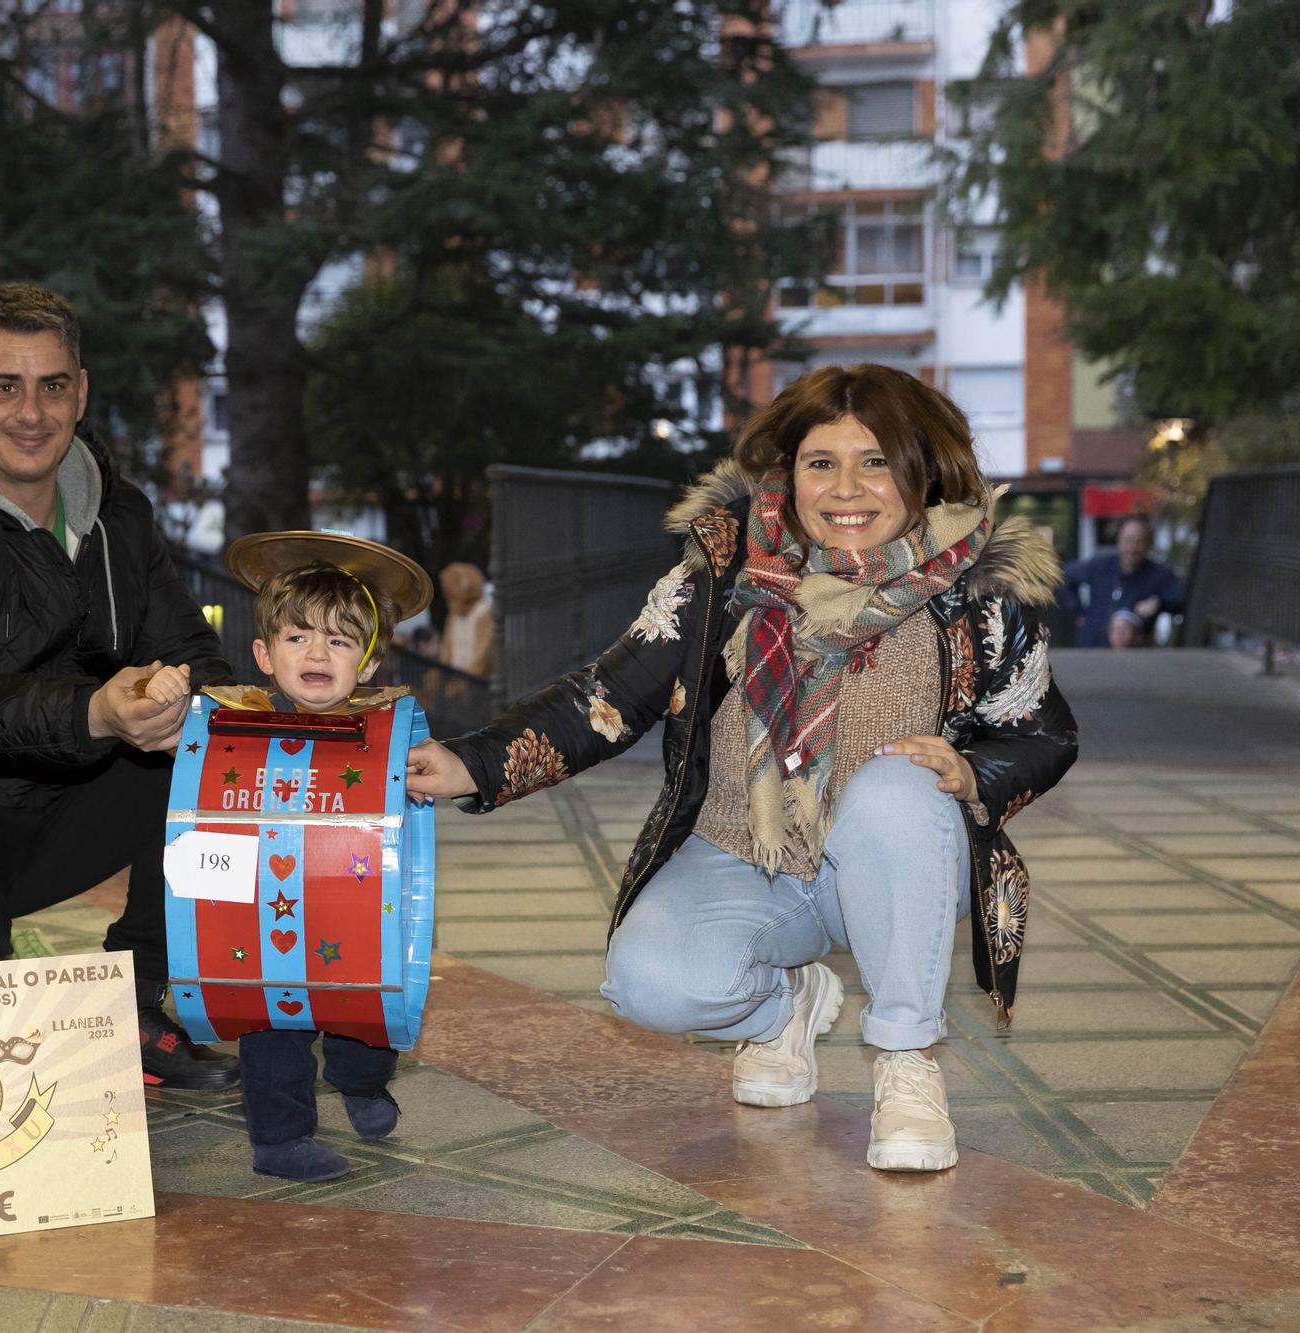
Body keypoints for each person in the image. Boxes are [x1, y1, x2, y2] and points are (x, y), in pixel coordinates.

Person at [407, 364, 1078, 1173]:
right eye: (820, 462)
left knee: (902, 785)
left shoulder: (980, 590)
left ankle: (906, 1060)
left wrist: (974, 775)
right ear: (787, 474)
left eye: (876, 460)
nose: (846, 488)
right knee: (647, 982)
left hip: (897, 865)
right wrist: (472, 764)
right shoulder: (725, 571)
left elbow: (1043, 733)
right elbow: (609, 694)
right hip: (743, 853)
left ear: (923, 469)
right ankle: (781, 1007)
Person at [0, 282, 239, 1091]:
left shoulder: (119, 513)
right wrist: (98, 710)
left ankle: (139, 1000)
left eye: (53, 385)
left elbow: (192, 649)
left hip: (73, 792)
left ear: (82, 390)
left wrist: (179, 698)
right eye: (5, 386)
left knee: (216, 759)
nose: (31, 412)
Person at [146, 532, 432, 1181]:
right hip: (262, 916)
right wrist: (164, 691)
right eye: (299, 636)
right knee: (270, 1021)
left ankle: (362, 1083)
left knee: (368, 1012)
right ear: (264, 654)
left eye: (338, 640)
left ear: (366, 661)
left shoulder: (383, 729)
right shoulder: (231, 720)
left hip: (352, 907)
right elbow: (187, 763)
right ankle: (279, 1138)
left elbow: (411, 791)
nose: (317, 652)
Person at [1062, 517, 1186, 648]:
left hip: (1136, 655)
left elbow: (1182, 600)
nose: (1132, 548)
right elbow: (1066, 576)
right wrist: (1079, 613)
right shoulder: (1101, 565)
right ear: (1119, 542)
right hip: (1094, 648)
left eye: (1139, 542)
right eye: (1128, 541)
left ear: (1148, 545)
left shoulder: (1159, 574)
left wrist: (1159, 603)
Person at [439, 561, 495, 677]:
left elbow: (483, 655)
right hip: (457, 678)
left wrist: (464, 680)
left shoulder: (483, 613)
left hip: (477, 682)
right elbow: (446, 650)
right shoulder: (453, 615)